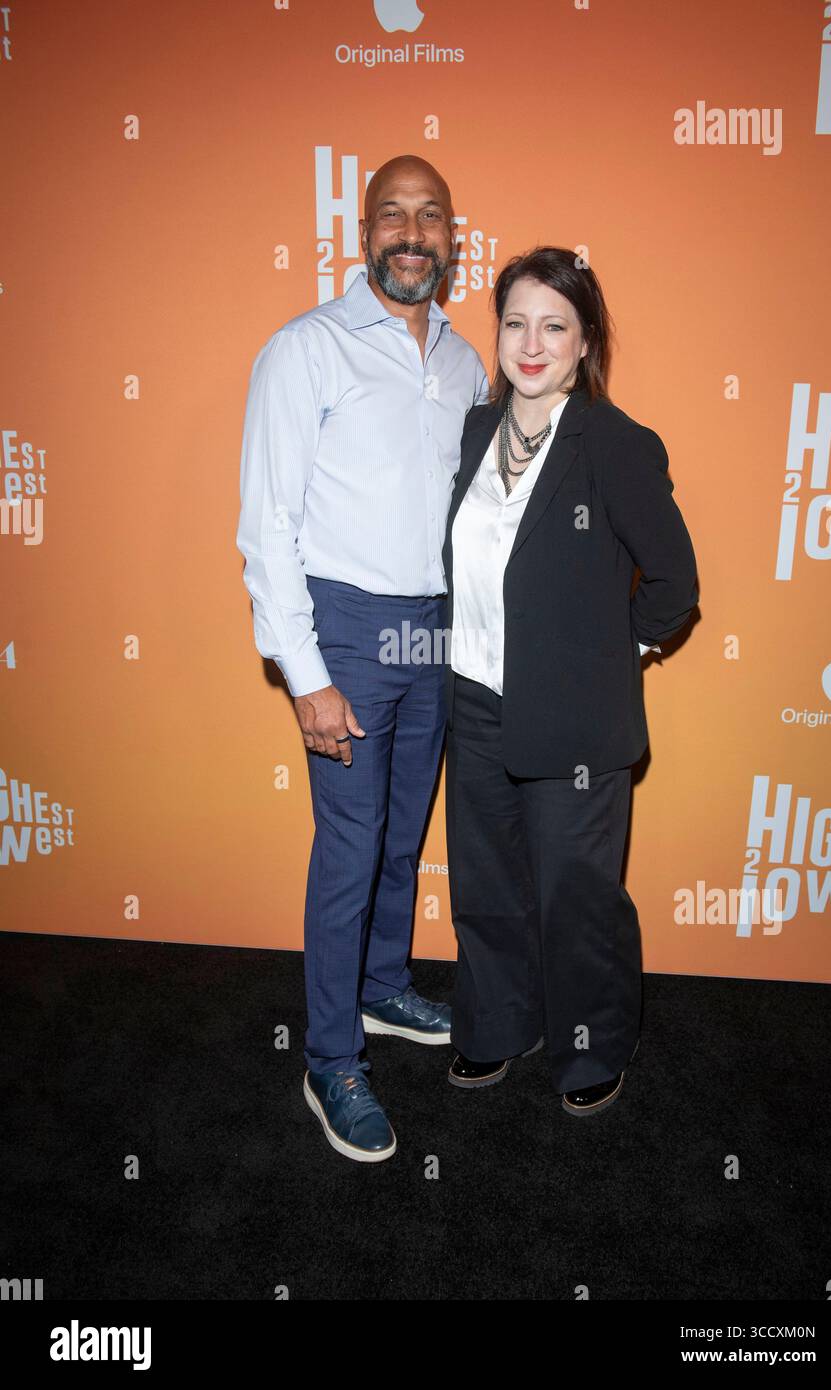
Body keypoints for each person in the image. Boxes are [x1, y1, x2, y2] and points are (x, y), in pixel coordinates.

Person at [236, 156, 489, 1162]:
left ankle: (382, 986)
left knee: (399, 829)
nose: (413, 232)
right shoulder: (306, 350)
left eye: (431, 216)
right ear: (363, 230)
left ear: (451, 238)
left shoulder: (468, 362)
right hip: (339, 621)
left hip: (431, 627)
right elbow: (266, 525)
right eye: (394, 214)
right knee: (347, 846)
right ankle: (330, 1057)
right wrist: (305, 674)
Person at [442, 246, 698, 1116]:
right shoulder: (477, 432)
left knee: (575, 895)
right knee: (484, 884)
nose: (532, 342)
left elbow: (674, 586)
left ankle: (590, 1046)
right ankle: (496, 1025)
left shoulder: (618, 446)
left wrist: (611, 658)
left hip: (578, 723)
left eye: (555, 325)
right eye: (516, 322)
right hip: (473, 700)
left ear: (585, 342)